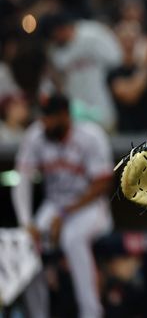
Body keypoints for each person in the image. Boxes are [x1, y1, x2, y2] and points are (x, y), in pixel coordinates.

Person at [11, 93, 114, 318]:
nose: (44, 122)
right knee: (28, 244)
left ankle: (91, 313)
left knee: (73, 238)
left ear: (65, 115)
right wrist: (26, 222)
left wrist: (65, 215)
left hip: (89, 207)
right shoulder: (36, 136)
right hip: (55, 205)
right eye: (43, 117)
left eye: (50, 117)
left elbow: (103, 184)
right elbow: (22, 180)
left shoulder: (90, 136)